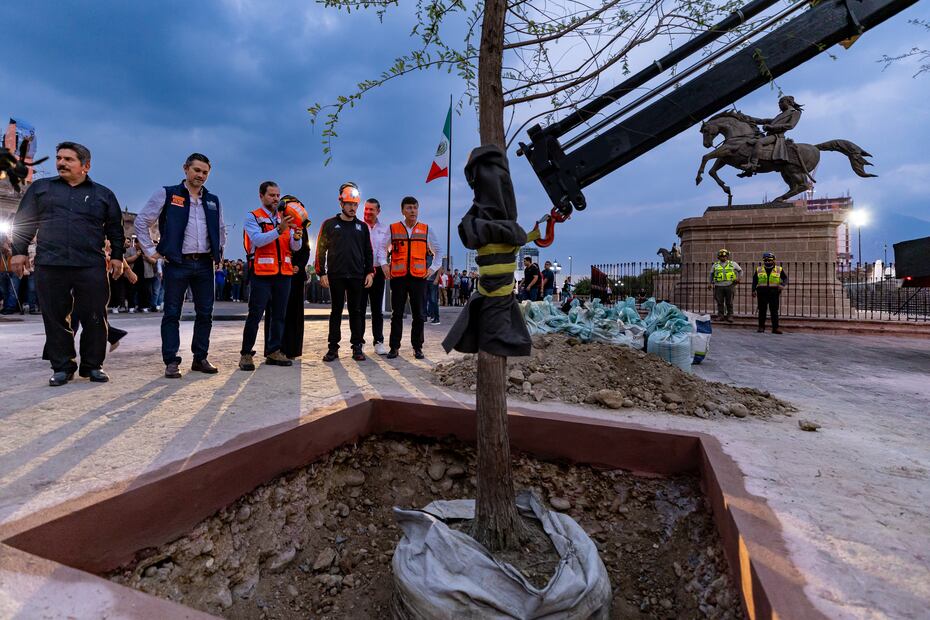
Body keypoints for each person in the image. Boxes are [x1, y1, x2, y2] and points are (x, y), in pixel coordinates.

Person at [10, 141, 125, 386]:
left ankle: (93, 366)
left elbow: (115, 229)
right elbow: (25, 221)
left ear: (86, 165)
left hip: (90, 264)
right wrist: (18, 252)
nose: (61, 163)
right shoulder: (41, 189)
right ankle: (62, 366)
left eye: (69, 159)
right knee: (55, 317)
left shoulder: (103, 194)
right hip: (51, 263)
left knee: (95, 315)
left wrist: (117, 256)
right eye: (59, 158)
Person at [135, 153, 226, 378]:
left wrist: (219, 253)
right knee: (172, 313)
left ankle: (200, 357)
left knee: (205, 313)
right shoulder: (167, 194)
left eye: (205, 172)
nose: (200, 176)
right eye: (197, 170)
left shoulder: (213, 200)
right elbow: (141, 221)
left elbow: (221, 229)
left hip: (204, 264)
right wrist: (151, 251)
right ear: (186, 169)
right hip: (177, 263)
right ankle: (171, 361)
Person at [238, 183, 302, 370]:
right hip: (262, 274)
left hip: (283, 274)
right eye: (272, 195)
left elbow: (294, 247)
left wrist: (296, 237)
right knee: (255, 315)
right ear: (261, 196)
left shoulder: (285, 217)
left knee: (279, 315)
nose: (276, 199)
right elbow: (258, 240)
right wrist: (279, 230)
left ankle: (274, 351)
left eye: (278, 195)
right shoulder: (253, 217)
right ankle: (246, 354)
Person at [315, 182, 373, 362]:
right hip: (336, 275)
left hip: (357, 276)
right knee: (336, 311)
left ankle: (357, 346)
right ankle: (333, 348)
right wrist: (321, 273)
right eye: (349, 204)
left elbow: (368, 251)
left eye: (355, 204)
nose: (353, 207)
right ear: (341, 203)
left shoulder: (362, 227)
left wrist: (370, 272)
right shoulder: (330, 224)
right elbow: (320, 249)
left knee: (356, 311)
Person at [385, 196, 442, 359]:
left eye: (415, 208)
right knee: (397, 313)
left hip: (419, 278)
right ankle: (394, 347)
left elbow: (439, 251)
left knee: (419, 314)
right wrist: (384, 264)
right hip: (398, 278)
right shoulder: (393, 228)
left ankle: (418, 347)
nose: (412, 211)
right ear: (402, 210)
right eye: (409, 208)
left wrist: (432, 269)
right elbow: (383, 248)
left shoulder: (426, 229)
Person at [270, 195, 311, 360]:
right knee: (277, 313)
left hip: (296, 275)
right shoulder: (275, 224)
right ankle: (274, 348)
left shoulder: (302, 227)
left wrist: (299, 266)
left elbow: (306, 250)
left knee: (294, 313)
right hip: (278, 274)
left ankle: (292, 349)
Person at [359, 197, 390, 355]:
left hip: (378, 272)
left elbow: (385, 249)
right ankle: (359, 342)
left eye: (372, 209)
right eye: (366, 209)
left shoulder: (385, 229)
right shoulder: (358, 226)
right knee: (360, 309)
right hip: (360, 272)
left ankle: (378, 341)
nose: (368, 212)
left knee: (377, 309)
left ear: (378, 211)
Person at [743, 95, 803, 174]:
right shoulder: (780, 115)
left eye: (781, 102)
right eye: (779, 103)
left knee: (759, 142)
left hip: (777, 136)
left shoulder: (795, 113)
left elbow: (790, 125)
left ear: (789, 102)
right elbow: (762, 120)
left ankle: (753, 164)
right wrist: (748, 118)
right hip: (770, 134)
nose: (779, 104)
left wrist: (772, 127)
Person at [753, 251, 788, 334]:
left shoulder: (779, 269)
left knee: (774, 311)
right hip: (762, 292)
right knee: (762, 310)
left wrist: (782, 285)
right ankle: (761, 327)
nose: (768, 262)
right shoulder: (759, 269)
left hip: (774, 292)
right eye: (766, 260)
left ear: (774, 260)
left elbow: (785, 278)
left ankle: (775, 328)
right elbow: (755, 281)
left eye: (769, 260)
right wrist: (753, 290)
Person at [708, 248, 741, 322]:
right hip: (718, 286)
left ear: (727, 256)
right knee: (719, 302)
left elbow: (740, 271)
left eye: (725, 256)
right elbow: (711, 274)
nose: (723, 257)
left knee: (729, 302)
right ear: (719, 257)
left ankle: (730, 316)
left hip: (730, 285)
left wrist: (739, 279)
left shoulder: (733, 263)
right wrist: (709, 283)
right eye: (722, 256)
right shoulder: (715, 265)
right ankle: (720, 316)